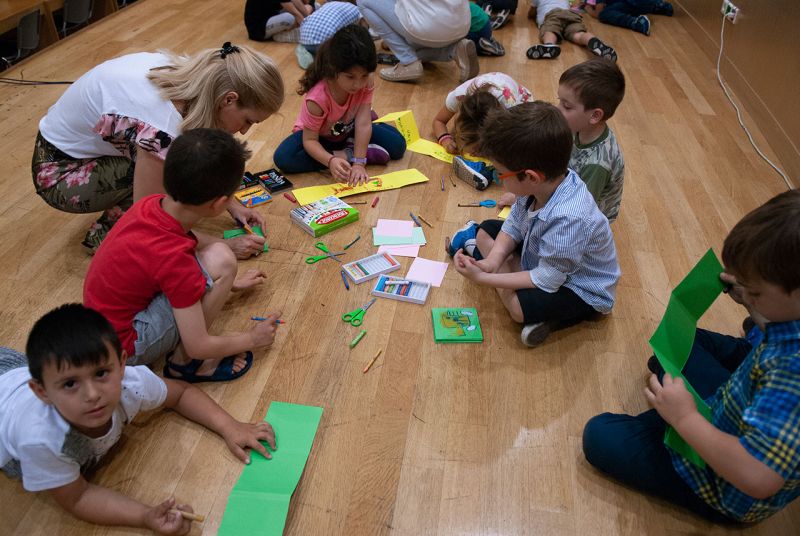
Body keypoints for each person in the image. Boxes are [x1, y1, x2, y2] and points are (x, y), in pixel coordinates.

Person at [583, 189, 800, 523]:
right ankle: (679, 411)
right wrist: (748, 297)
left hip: (719, 483)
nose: (748, 293)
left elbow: (758, 477)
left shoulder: (791, 375)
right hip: (734, 399)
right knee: (681, 343)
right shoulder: (789, 326)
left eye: (757, 292)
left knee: (599, 434)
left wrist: (685, 419)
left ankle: (674, 421)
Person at [0, 303, 278, 533]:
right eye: (70, 384)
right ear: (42, 392)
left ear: (121, 364)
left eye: (100, 373)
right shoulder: (39, 440)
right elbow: (79, 497)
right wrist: (145, 516)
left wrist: (229, 426)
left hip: (13, 372)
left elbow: (180, 394)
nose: (93, 394)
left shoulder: (130, 384)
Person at [32, 43, 283, 257]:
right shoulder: (159, 126)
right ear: (228, 99)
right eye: (248, 120)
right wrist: (222, 246)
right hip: (59, 173)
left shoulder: (204, 75)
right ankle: (110, 237)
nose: (244, 131)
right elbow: (152, 216)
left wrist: (233, 204)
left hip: (83, 148)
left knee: (180, 166)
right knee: (175, 177)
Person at [84, 129, 282, 383]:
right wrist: (253, 339)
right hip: (128, 347)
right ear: (220, 204)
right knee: (222, 258)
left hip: (100, 328)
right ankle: (184, 365)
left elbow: (182, 240)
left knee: (218, 256)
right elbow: (198, 345)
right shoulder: (175, 259)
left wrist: (229, 285)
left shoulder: (152, 204)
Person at [448, 102, 620, 347]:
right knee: (487, 231)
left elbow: (548, 278)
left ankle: (548, 314)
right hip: (543, 255)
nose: (498, 179)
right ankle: (513, 278)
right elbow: (516, 221)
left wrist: (485, 279)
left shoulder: (570, 218)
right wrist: (493, 261)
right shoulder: (542, 183)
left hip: (579, 286)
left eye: (500, 174)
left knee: (518, 311)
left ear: (530, 177)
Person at [273, 25, 406, 186]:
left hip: (351, 128)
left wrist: (359, 164)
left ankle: (355, 149)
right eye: (350, 77)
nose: (358, 84)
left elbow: (363, 123)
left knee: (398, 146)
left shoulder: (367, 80)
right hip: (319, 137)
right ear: (334, 69)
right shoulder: (317, 99)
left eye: (363, 76)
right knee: (284, 158)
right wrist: (331, 161)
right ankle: (348, 154)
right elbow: (309, 140)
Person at [499, 59, 626, 222]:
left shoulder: (597, 164)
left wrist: (522, 197)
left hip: (583, 222)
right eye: (559, 101)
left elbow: (579, 210)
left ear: (595, 116)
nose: (558, 109)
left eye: (566, 106)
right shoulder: (578, 127)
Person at [431, 72, 532, 189]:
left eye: (479, 149)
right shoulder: (459, 97)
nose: (473, 154)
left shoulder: (512, 112)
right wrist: (446, 140)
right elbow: (438, 121)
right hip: (491, 87)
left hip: (516, 97)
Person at [357, 0, 479, 83]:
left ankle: (408, 61)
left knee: (363, 1)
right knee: (413, 44)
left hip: (430, 25)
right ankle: (455, 50)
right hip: (462, 23)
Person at [526, 0, 617, 61]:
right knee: (579, 33)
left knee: (550, 29)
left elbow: (531, 13)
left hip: (553, 14)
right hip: (571, 14)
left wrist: (531, 15)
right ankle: (592, 41)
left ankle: (549, 45)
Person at [296, 1, 366, 69]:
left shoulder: (329, 4)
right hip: (324, 45)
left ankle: (307, 49)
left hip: (304, 35)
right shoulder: (358, 11)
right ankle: (324, 57)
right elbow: (363, 29)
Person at [585, 0, 674, 36]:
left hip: (633, 5)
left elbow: (598, 13)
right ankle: (659, 5)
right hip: (645, 2)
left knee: (604, 14)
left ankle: (636, 23)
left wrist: (589, 11)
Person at [244, 0, 313, 42]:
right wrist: (308, 28)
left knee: (314, 6)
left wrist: (308, 16)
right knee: (290, 18)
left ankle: (289, 30)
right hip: (258, 28)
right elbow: (296, 15)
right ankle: (281, 36)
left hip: (273, 14)